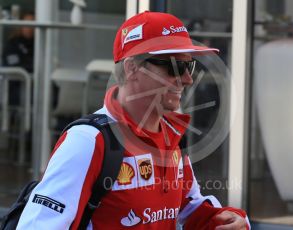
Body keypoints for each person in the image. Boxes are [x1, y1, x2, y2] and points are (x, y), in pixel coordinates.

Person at [17, 11, 251, 229]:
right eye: (175, 67)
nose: (188, 79)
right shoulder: (88, 141)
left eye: (189, 65)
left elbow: (190, 208)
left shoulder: (171, 136)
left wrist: (226, 220)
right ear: (132, 69)